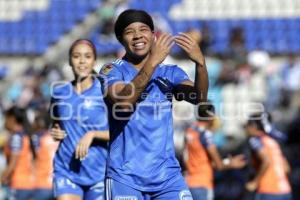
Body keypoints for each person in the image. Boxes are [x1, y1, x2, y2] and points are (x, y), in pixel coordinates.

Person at [100, 9, 208, 200]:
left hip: (167, 177)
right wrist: (152, 62)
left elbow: (199, 98)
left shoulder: (171, 72)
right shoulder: (112, 70)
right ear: (120, 38)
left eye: (143, 29)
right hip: (125, 177)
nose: (138, 35)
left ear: (152, 34)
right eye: (129, 31)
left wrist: (200, 64)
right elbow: (124, 102)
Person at [49, 39, 109, 200]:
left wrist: (93, 134)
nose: (82, 61)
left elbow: (121, 132)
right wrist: (54, 130)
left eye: (87, 56)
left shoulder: (105, 92)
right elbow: (55, 122)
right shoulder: (59, 92)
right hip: (66, 170)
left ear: (94, 60)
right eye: (76, 56)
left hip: (99, 172)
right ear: (69, 60)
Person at [184, 103, 246, 200]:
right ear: (210, 116)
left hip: (189, 182)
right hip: (202, 184)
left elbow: (200, 159)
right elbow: (219, 165)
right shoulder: (206, 134)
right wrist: (232, 163)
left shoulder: (189, 131)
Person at [245, 112, 292, 200]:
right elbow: (286, 168)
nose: (246, 128)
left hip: (268, 191)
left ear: (254, 126)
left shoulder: (255, 140)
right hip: (285, 190)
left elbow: (266, 161)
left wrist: (254, 182)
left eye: (247, 125)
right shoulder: (274, 142)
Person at [1, 106, 35, 200]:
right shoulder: (26, 135)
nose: (5, 122)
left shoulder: (16, 137)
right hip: (30, 184)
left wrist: (2, 179)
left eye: (6, 118)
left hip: (19, 184)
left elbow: (13, 164)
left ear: (12, 119)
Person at [31, 111, 58, 200]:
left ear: (40, 123)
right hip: (57, 184)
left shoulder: (37, 137)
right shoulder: (57, 137)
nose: (33, 124)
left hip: (42, 183)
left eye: (35, 121)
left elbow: (32, 159)